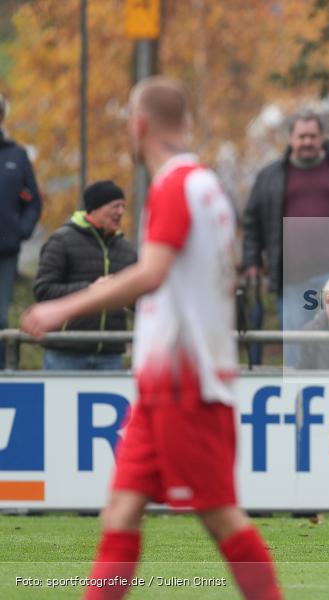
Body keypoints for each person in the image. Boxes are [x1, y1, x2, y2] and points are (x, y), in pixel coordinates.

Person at [21, 77, 282, 600]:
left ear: (137, 126)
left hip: (184, 381)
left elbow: (153, 273)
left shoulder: (173, 186)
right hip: (167, 378)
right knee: (120, 510)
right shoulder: (209, 188)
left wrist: (62, 307)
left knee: (220, 516)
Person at [241, 111, 329, 367]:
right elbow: (252, 222)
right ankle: (301, 404)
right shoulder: (270, 176)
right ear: (291, 138)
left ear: (321, 137)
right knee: (296, 351)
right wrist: (251, 260)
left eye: (312, 136)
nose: (307, 141)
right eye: (301, 136)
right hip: (294, 279)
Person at [33, 180, 137, 370]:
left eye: (123, 206)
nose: (121, 212)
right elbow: (43, 291)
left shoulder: (127, 250)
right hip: (65, 353)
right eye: (115, 206)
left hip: (110, 354)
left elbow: (140, 301)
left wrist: (130, 296)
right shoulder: (61, 241)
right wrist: (90, 290)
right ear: (94, 208)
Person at [0, 92, 42, 369]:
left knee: (1, 319)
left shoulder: (17, 155)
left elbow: (34, 201)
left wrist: (20, 231)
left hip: (6, 250)